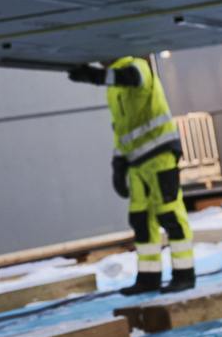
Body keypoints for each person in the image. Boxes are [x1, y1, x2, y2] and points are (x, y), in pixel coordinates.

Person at [68, 55, 193, 294]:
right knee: (141, 220)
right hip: (136, 162)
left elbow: (131, 77)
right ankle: (148, 278)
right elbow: (121, 129)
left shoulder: (138, 66)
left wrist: (94, 76)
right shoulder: (113, 89)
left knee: (170, 216)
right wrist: (118, 163)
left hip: (159, 156)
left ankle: (184, 274)